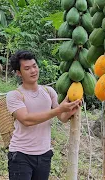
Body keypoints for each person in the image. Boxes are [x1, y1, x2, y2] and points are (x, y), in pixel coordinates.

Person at [5, 50, 81, 180]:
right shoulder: (14, 95)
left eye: (34, 66)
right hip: (21, 154)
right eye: (27, 68)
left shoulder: (48, 91)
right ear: (19, 73)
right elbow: (26, 120)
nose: (33, 71)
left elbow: (62, 117)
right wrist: (59, 110)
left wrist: (71, 108)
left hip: (44, 155)